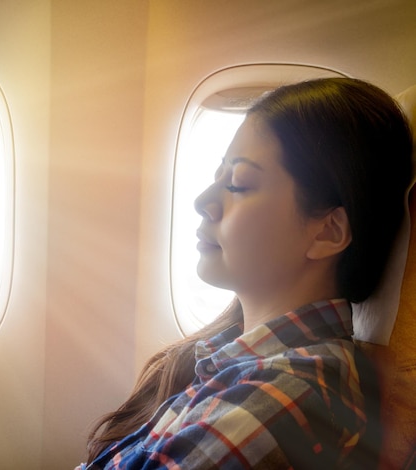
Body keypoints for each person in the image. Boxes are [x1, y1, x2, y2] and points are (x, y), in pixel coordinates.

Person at [78, 77, 414, 469]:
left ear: (327, 232)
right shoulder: (232, 358)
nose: (203, 201)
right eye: (219, 176)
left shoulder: (287, 395)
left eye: (238, 183)